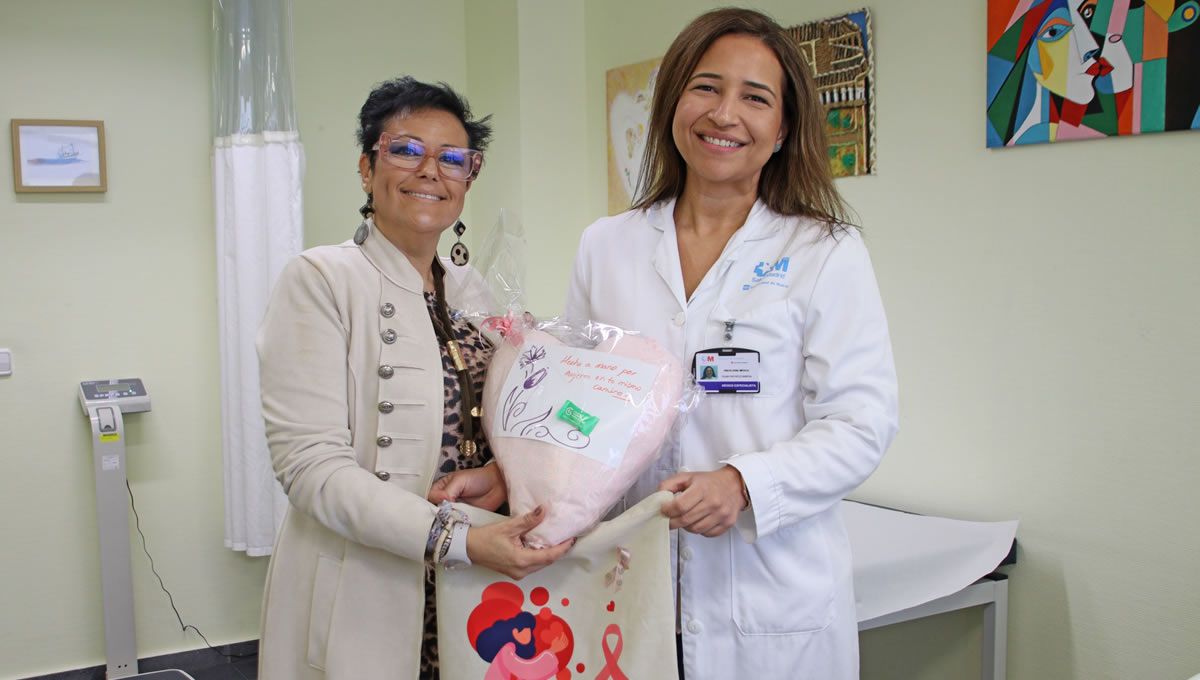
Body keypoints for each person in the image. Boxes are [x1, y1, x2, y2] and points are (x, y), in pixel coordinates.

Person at [563, 8, 899, 678]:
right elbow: (576, 402)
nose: (724, 115)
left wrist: (746, 482)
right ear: (672, 104)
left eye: (755, 98)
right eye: (706, 87)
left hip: (767, 598)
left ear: (782, 130)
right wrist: (515, 470)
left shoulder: (823, 252)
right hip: (628, 586)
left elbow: (862, 423)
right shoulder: (608, 246)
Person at [256, 77, 571, 680]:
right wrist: (455, 539)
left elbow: (515, 419)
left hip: (478, 584)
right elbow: (310, 467)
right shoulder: (321, 280)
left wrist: (505, 475)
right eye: (406, 150)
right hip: (367, 580)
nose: (431, 170)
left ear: (469, 179)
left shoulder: (478, 292)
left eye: (453, 158)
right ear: (366, 166)